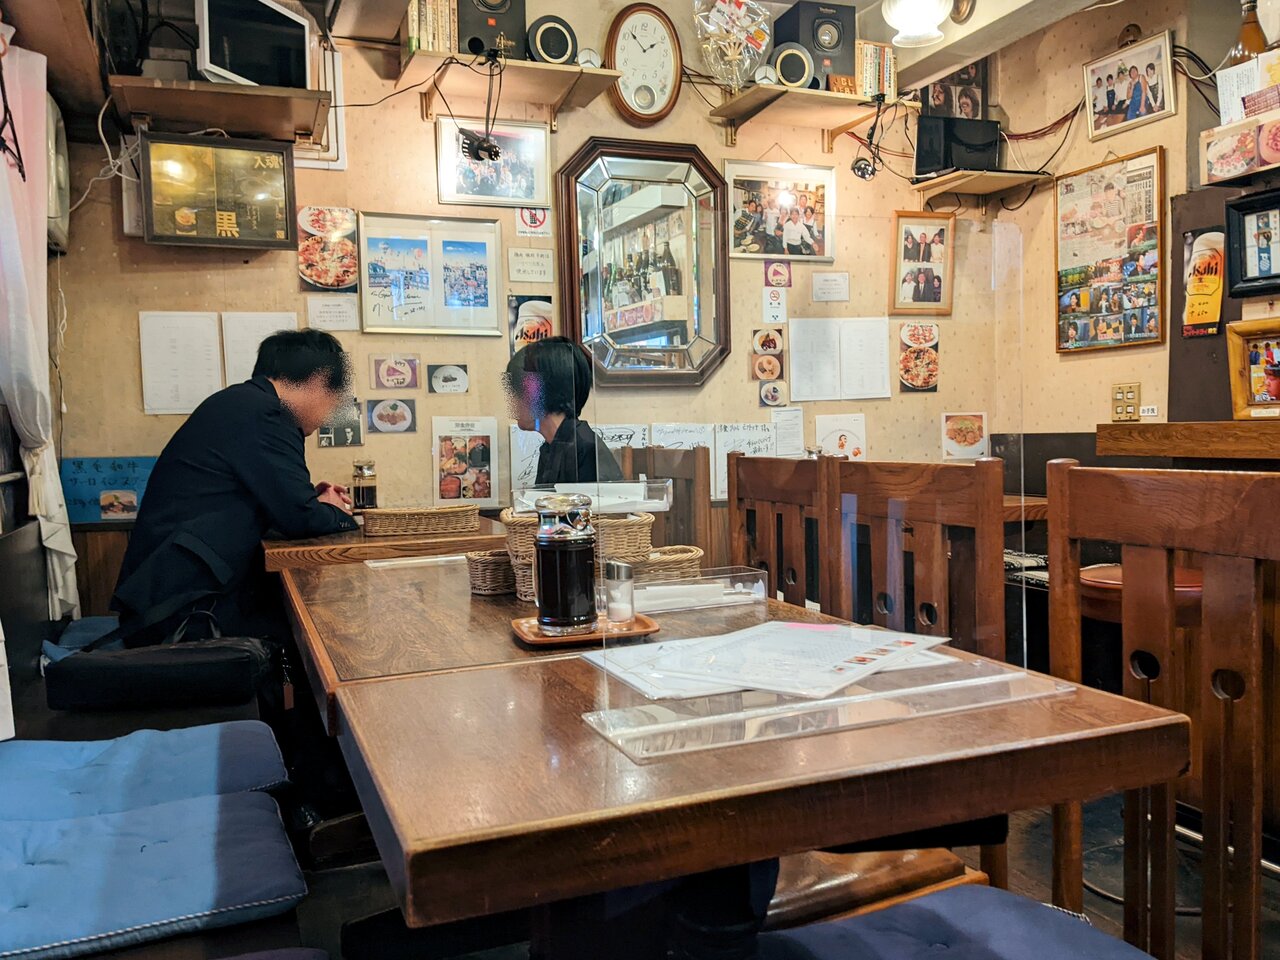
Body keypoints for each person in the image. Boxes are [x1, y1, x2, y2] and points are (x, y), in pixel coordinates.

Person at [112, 329, 357, 647]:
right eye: (334, 396)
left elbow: (274, 496)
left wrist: (314, 499)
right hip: (185, 611)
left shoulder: (243, 403)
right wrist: (336, 511)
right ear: (318, 380)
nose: (330, 414)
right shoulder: (269, 414)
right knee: (315, 636)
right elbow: (301, 518)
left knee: (297, 624)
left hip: (172, 595)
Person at [504, 336, 622, 485]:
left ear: (546, 392)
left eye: (518, 391)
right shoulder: (550, 446)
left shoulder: (584, 448)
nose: (512, 401)